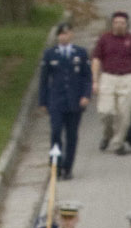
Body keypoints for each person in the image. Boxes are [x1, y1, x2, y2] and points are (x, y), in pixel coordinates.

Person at [36, 19, 92, 179]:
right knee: (55, 132)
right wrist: (43, 101)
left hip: (74, 101)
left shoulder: (80, 53)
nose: (63, 37)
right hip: (56, 101)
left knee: (72, 135)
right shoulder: (50, 54)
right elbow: (44, 80)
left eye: (66, 33)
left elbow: (87, 77)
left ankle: (68, 167)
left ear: (71, 34)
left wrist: (86, 95)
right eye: (60, 34)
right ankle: (56, 164)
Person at [91, 8, 131, 153]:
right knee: (105, 111)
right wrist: (95, 81)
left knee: (124, 116)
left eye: (122, 23)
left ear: (127, 24)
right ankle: (107, 135)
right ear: (112, 24)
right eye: (116, 22)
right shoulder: (104, 39)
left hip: (127, 79)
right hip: (108, 77)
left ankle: (118, 143)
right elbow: (96, 60)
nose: (119, 25)